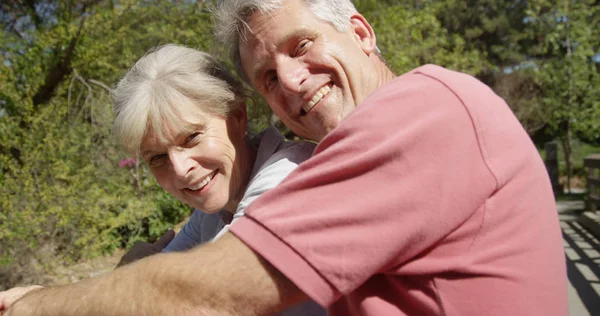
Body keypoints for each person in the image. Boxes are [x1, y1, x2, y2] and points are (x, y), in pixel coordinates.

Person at [2, 0, 569, 315]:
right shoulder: (355, 150)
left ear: (361, 31)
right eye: (268, 76)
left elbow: (202, 295)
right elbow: (174, 262)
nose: (293, 83)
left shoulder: (421, 114)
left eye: (301, 46)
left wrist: (46, 305)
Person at [0, 44, 324, 316]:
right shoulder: (214, 206)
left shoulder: (289, 176)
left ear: (237, 117)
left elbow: (197, 297)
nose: (181, 169)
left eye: (191, 138)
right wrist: (129, 274)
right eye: (157, 158)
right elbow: (157, 280)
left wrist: (42, 306)